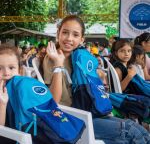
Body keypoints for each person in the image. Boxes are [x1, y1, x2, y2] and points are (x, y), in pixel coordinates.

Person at [43, 15, 150, 144]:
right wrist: (58, 65)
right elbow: (54, 101)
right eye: (65, 32)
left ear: (82, 39)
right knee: (130, 132)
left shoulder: (79, 57)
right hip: (71, 117)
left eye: (75, 35)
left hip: (90, 109)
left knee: (140, 130)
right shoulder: (52, 58)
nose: (69, 38)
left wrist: (97, 75)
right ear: (58, 33)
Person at [0, 44, 50, 144]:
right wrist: (3, 103)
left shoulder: (23, 88)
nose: (6, 73)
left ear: (19, 70)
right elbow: (1, 129)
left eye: (11, 68)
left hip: (28, 134)